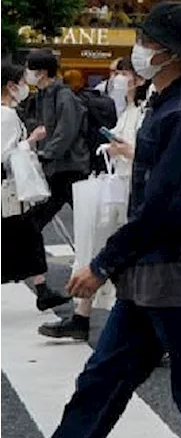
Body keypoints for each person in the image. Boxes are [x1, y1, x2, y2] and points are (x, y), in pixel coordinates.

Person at [51, 2, 181, 438]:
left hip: (177, 274)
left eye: (148, 42)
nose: (139, 49)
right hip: (152, 272)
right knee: (102, 381)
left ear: (172, 54)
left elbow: (165, 206)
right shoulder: (168, 105)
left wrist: (102, 265)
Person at [39, 60, 148, 341]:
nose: (118, 78)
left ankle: (144, 330)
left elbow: (151, 156)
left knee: (121, 257)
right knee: (96, 250)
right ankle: (81, 317)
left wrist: (124, 151)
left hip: (133, 195)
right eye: (116, 73)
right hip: (118, 191)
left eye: (123, 73)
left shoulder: (147, 111)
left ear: (137, 78)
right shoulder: (129, 109)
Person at [22, 48, 87, 312]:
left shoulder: (63, 96)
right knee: (34, 224)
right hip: (56, 169)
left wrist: (44, 154)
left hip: (69, 169)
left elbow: (65, 132)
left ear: (42, 71)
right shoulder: (43, 96)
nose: (28, 73)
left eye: (30, 68)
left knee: (81, 225)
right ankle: (43, 288)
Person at [0, 64, 50, 300]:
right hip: (6, 190)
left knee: (27, 234)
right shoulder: (6, 115)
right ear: (10, 86)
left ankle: (43, 290)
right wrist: (30, 141)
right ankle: (43, 290)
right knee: (25, 234)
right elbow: (5, 155)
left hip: (8, 191)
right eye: (21, 82)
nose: (24, 87)